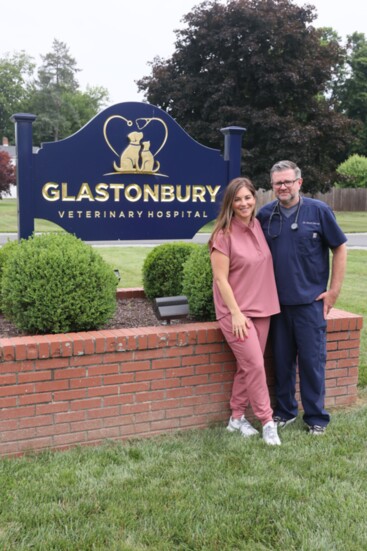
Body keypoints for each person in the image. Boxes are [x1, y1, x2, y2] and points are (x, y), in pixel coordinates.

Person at [257, 160, 347, 435]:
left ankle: (316, 418)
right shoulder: (264, 215)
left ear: (299, 182)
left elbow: (340, 248)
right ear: (272, 186)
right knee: (282, 363)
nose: (282, 187)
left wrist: (333, 292)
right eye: (277, 183)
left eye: (287, 181)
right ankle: (285, 412)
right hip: (276, 305)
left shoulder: (318, 211)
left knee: (311, 363)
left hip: (310, 304)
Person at [209, 177, 281, 446]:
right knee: (254, 365)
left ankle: (236, 418)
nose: (243, 203)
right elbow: (220, 279)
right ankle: (267, 421)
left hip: (262, 308)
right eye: (237, 199)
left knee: (247, 366)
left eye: (248, 198)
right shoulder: (223, 235)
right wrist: (236, 313)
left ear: (254, 198)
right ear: (230, 202)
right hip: (236, 313)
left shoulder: (259, 226)